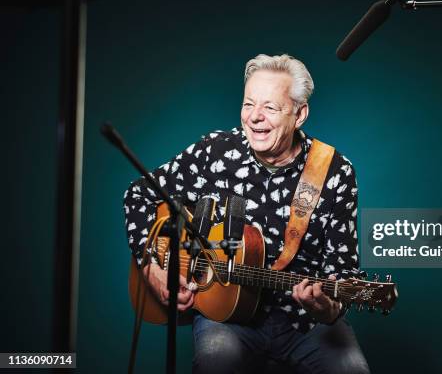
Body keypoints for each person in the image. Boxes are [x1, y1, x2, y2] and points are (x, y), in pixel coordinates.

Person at [123, 54, 370, 374]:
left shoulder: (333, 171)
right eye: (248, 104)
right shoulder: (214, 151)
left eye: (270, 107)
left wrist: (327, 307)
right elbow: (139, 194)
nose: (254, 117)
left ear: (299, 114)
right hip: (226, 318)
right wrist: (151, 267)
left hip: (306, 324)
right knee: (215, 363)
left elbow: (341, 269)